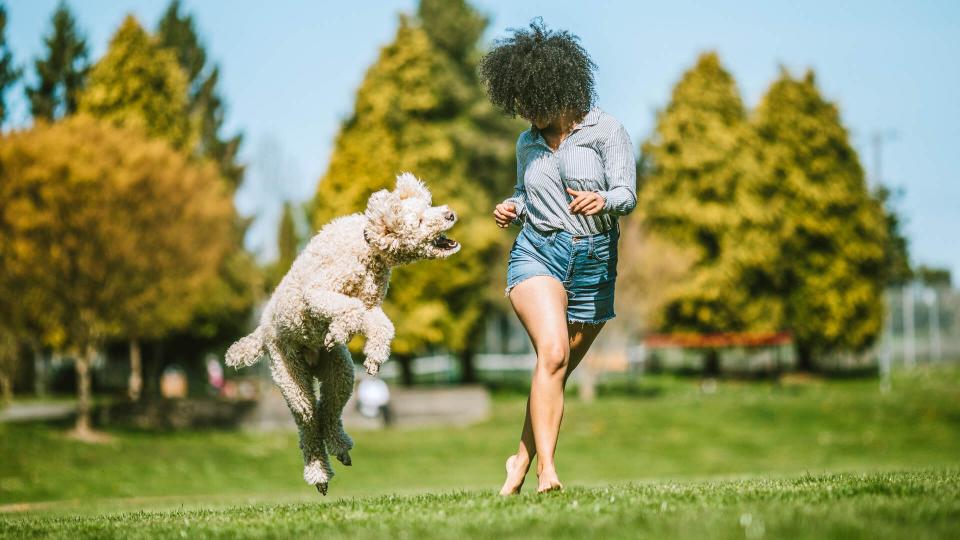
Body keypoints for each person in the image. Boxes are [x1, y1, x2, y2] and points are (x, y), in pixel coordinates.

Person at [478, 19, 637, 495]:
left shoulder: (607, 132)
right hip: (538, 253)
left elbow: (626, 192)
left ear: (557, 88)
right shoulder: (527, 143)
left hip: (595, 261)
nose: (525, 113)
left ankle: (519, 463)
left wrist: (603, 200)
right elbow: (529, 194)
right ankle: (548, 471)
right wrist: (513, 206)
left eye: (531, 102)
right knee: (552, 353)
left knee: (556, 369)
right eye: (519, 104)